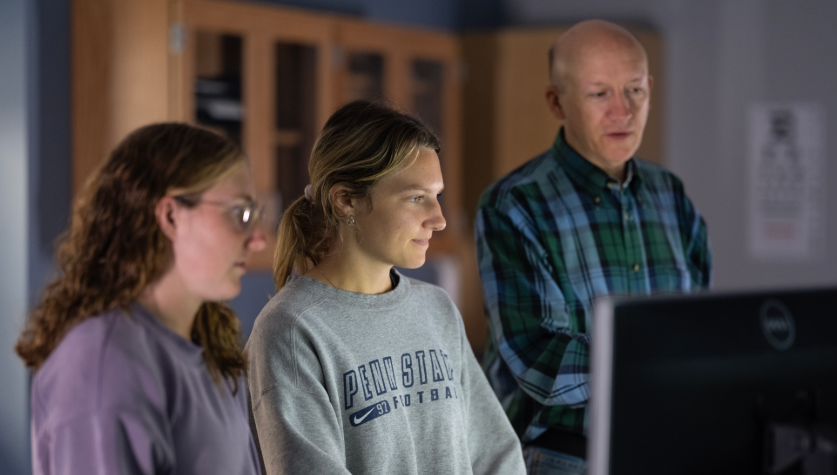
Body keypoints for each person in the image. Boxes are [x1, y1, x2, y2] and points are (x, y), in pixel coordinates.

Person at [475, 19, 713, 473]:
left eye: (635, 91)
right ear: (557, 102)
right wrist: (660, 353)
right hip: (563, 454)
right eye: (600, 93)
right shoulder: (515, 204)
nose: (623, 112)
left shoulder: (671, 195)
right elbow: (540, 361)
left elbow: (698, 323)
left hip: (667, 444)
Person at [246, 100, 525, 475]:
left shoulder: (436, 308)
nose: (439, 219)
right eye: (416, 198)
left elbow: (497, 456)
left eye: (437, 196)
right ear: (346, 200)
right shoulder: (291, 331)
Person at [15, 123, 267, 474]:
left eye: (256, 215)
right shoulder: (102, 365)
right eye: (239, 213)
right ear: (170, 216)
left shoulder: (212, 348)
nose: (258, 239)